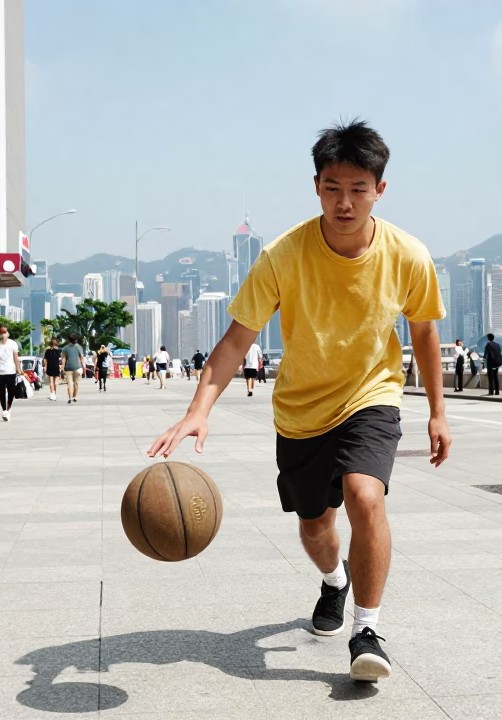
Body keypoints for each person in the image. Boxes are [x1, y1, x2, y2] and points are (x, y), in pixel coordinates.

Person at [148, 120, 450, 683]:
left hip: (371, 395)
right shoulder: (283, 255)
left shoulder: (408, 254)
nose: (345, 201)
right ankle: (334, 581)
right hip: (301, 413)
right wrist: (198, 410)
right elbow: (238, 338)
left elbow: (425, 332)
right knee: (316, 528)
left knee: (366, 496)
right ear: (316, 187)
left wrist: (436, 410)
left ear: (379, 190)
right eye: (333, 187)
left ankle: (368, 629)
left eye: (359, 188)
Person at [0, 324, 23, 421]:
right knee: (1, 392)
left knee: (11, 392)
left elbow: (16, 358)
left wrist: (18, 369)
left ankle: (8, 408)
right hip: (0, 372)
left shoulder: (13, 344)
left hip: (11, 371)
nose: (4, 334)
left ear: (7, 333)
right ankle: (4, 410)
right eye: (2, 332)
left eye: (5, 332)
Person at [60, 335, 86, 404]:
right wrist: (84, 367)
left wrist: (62, 368)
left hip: (68, 368)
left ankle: (70, 398)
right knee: (76, 383)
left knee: (70, 383)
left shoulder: (65, 348)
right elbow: (82, 358)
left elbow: (64, 359)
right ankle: (74, 397)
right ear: (75, 340)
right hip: (77, 367)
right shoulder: (79, 347)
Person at [43, 337, 63, 402]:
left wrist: (45, 367)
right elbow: (60, 359)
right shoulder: (58, 351)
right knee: (55, 382)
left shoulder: (47, 351)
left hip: (50, 367)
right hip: (56, 367)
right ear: (56, 344)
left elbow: (45, 360)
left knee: (51, 382)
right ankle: (54, 394)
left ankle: (52, 394)